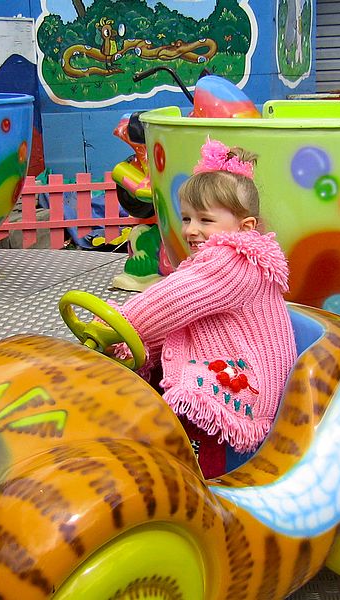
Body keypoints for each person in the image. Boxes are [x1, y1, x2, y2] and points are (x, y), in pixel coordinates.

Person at [110, 137, 297, 478]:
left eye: (205, 220)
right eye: (186, 218)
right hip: (219, 360)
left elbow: (170, 301)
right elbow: (177, 317)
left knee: (194, 411)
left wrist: (118, 323)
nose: (191, 230)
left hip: (241, 380)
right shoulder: (217, 258)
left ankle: (201, 484)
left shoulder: (234, 261)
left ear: (246, 227)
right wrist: (137, 347)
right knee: (140, 379)